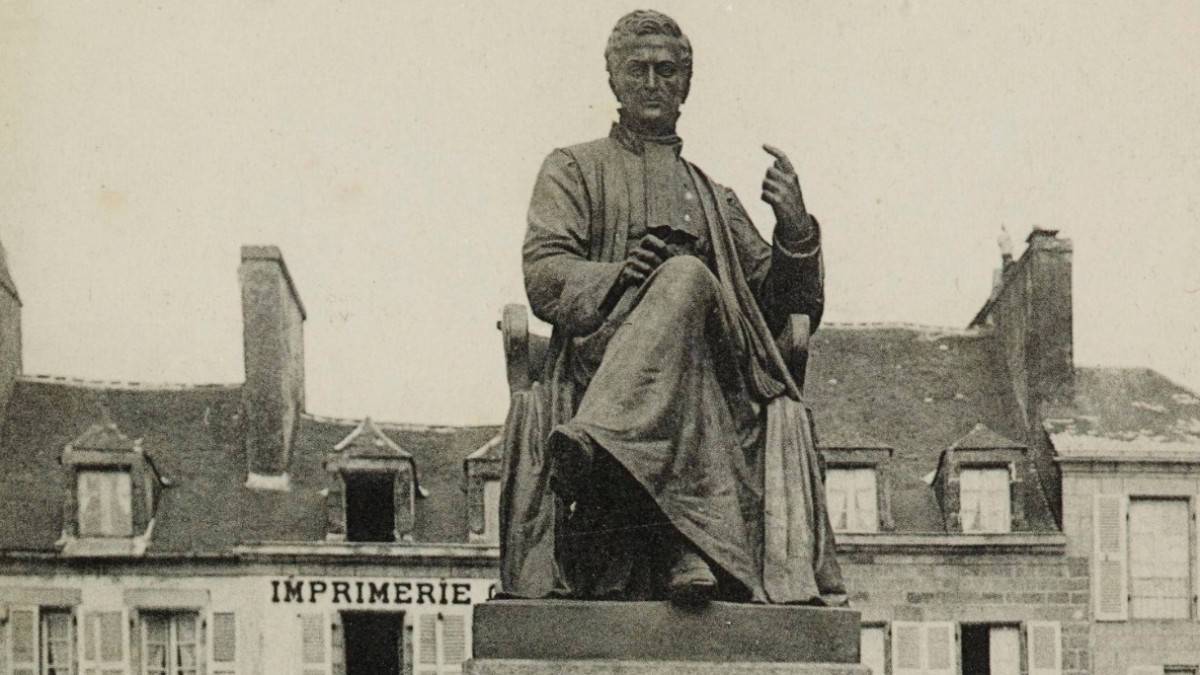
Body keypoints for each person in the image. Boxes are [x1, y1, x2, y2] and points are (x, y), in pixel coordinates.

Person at [502, 9, 846, 606]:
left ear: (686, 85)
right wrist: (617, 276)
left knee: (685, 277)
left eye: (668, 70)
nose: (654, 82)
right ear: (613, 79)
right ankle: (682, 547)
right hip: (605, 359)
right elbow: (543, 274)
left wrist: (794, 229)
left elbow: (784, 308)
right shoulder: (572, 168)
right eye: (638, 69)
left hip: (719, 377)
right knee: (675, 288)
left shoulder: (715, 196)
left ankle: (597, 450)